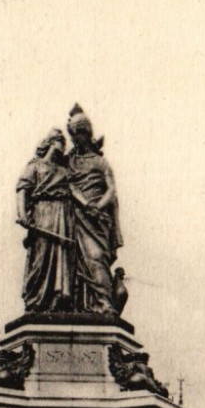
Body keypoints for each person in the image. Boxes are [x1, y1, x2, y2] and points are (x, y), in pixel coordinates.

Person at [67, 104, 123, 315]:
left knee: (97, 256)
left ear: (87, 134)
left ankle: (104, 303)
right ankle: (79, 304)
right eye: (74, 134)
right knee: (73, 262)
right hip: (77, 216)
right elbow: (67, 184)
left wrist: (97, 207)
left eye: (79, 133)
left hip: (98, 220)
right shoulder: (70, 161)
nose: (76, 139)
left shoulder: (101, 163)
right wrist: (84, 205)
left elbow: (111, 191)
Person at [16, 129, 74, 313]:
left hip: (62, 216)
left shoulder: (64, 171)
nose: (63, 146)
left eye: (64, 143)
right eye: (60, 141)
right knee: (40, 258)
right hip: (42, 215)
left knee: (60, 257)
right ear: (50, 142)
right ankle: (36, 299)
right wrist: (23, 215)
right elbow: (22, 190)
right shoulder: (35, 166)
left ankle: (56, 299)